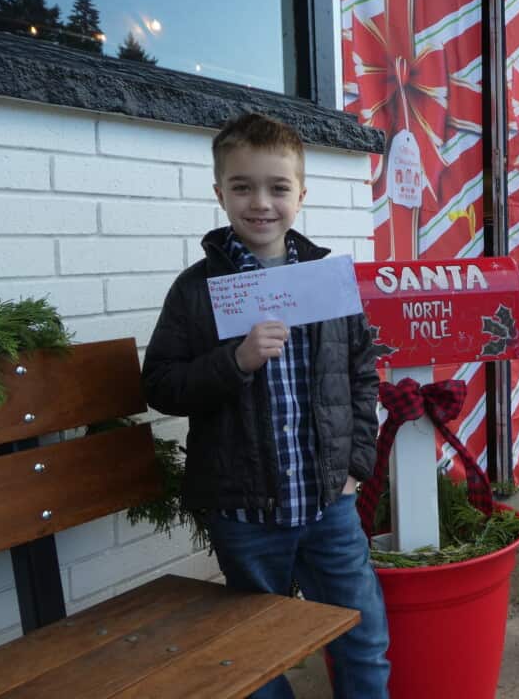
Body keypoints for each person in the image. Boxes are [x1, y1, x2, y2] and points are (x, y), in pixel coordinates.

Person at [141, 112, 390, 698]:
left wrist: (356, 465)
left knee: (362, 631)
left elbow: (360, 373)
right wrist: (236, 362)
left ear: (301, 194)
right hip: (245, 512)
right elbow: (161, 383)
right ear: (220, 193)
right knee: (257, 651)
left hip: (328, 501)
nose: (261, 202)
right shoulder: (197, 289)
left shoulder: (326, 282)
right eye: (242, 186)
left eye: (278, 188)